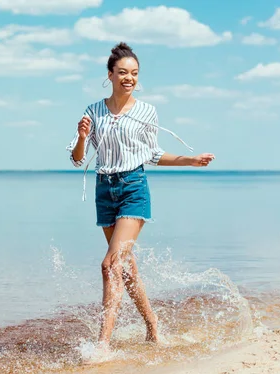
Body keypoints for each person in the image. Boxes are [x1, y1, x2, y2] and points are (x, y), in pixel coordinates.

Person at [66, 42, 215, 347]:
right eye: (122, 72)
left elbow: (154, 154)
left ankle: (102, 344)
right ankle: (153, 326)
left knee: (109, 265)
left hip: (134, 187)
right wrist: (82, 137)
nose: (129, 78)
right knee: (127, 268)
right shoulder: (93, 111)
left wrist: (190, 160)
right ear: (110, 75)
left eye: (134, 73)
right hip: (104, 190)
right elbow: (77, 157)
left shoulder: (147, 111)